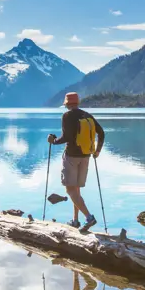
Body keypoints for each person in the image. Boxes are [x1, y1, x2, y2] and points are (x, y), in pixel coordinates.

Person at [48, 91, 105, 230]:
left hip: (71, 156)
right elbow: (101, 133)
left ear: (66, 104)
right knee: (76, 190)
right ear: (78, 102)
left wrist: (53, 141)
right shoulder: (87, 115)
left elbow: (66, 138)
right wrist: (97, 151)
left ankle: (89, 217)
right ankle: (75, 221)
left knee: (70, 189)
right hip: (86, 156)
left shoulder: (67, 115)